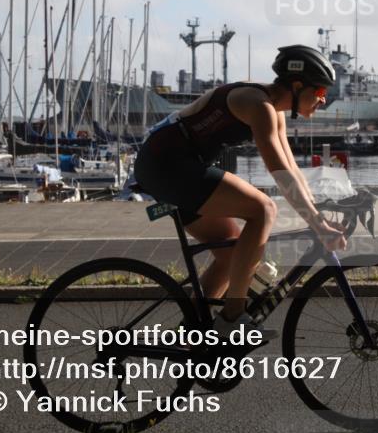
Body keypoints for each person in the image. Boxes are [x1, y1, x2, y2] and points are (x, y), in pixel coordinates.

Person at [133, 44, 346, 337]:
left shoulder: (274, 111)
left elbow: (293, 171)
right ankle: (232, 316)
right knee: (263, 209)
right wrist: (317, 224)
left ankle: (193, 337)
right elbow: (279, 173)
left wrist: (318, 216)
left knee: (234, 257)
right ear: (298, 86)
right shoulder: (258, 105)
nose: (323, 100)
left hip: (176, 167)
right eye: (320, 92)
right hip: (167, 164)